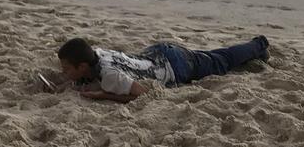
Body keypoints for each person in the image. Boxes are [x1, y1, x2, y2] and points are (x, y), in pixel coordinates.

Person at [57, 35, 269, 103]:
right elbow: (86, 73)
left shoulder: (110, 78)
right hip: (159, 53)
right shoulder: (99, 53)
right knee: (212, 57)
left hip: (175, 67)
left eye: (66, 69)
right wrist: (67, 82)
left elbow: (145, 94)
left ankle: (259, 44)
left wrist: (102, 95)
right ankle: (253, 49)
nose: (64, 72)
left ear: (82, 65)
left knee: (222, 61)